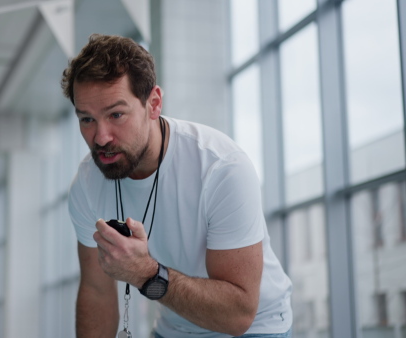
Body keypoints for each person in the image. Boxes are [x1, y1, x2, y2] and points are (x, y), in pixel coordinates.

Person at [62, 34, 293, 338]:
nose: (101, 137)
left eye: (116, 115)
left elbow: (238, 315)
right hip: (174, 327)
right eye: (87, 119)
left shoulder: (220, 167)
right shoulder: (87, 184)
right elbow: (96, 291)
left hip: (255, 328)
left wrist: (146, 274)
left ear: (153, 103)